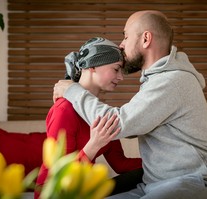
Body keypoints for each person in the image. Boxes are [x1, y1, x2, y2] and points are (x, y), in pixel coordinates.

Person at [52, 10, 207, 199]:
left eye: (126, 36)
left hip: (195, 183)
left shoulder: (172, 81)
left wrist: (72, 90)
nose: (121, 45)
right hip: (156, 185)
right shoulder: (156, 81)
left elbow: (118, 124)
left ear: (146, 39)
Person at [34, 37, 143, 199]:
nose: (121, 77)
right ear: (92, 66)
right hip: (55, 192)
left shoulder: (98, 112)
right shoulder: (64, 110)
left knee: (143, 176)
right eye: (116, 69)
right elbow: (61, 174)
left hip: (85, 190)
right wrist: (94, 145)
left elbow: (120, 164)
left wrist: (163, 163)